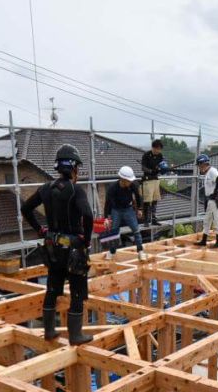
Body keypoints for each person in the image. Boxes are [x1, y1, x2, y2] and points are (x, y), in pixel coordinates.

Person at [21, 144, 94, 345]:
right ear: (74, 168)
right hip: (73, 248)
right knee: (77, 292)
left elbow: (25, 208)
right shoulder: (75, 190)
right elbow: (88, 215)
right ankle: (75, 335)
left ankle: (50, 331)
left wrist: (40, 229)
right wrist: (86, 238)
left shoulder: (45, 189)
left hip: (53, 246)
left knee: (52, 289)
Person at [103, 165, 146, 260]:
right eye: (128, 180)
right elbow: (107, 203)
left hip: (128, 209)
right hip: (116, 210)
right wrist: (106, 218)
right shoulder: (112, 188)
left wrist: (139, 209)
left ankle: (140, 251)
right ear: (122, 179)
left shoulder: (133, 185)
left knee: (136, 230)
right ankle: (111, 252)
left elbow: (138, 196)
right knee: (114, 232)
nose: (130, 182)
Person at [195, 154, 218, 248]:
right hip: (210, 200)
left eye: (199, 165)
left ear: (203, 164)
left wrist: (215, 192)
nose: (199, 167)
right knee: (207, 220)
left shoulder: (212, 171)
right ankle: (204, 240)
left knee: (216, 219)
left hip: (215, 199)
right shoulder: (208, 173)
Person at [139, 139, 167, 220]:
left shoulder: (160, 155)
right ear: (153, 148)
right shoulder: (146, 155)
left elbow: (162, 165)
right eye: (157, 148)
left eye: (160, 149)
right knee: (147, 200)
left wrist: (162, 169)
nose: (158, 151)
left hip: (155, 179)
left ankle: (154, 217)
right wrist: (151, 171)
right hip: (148, 179)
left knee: (155, 199)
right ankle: (146, 219)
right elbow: (143, 168)